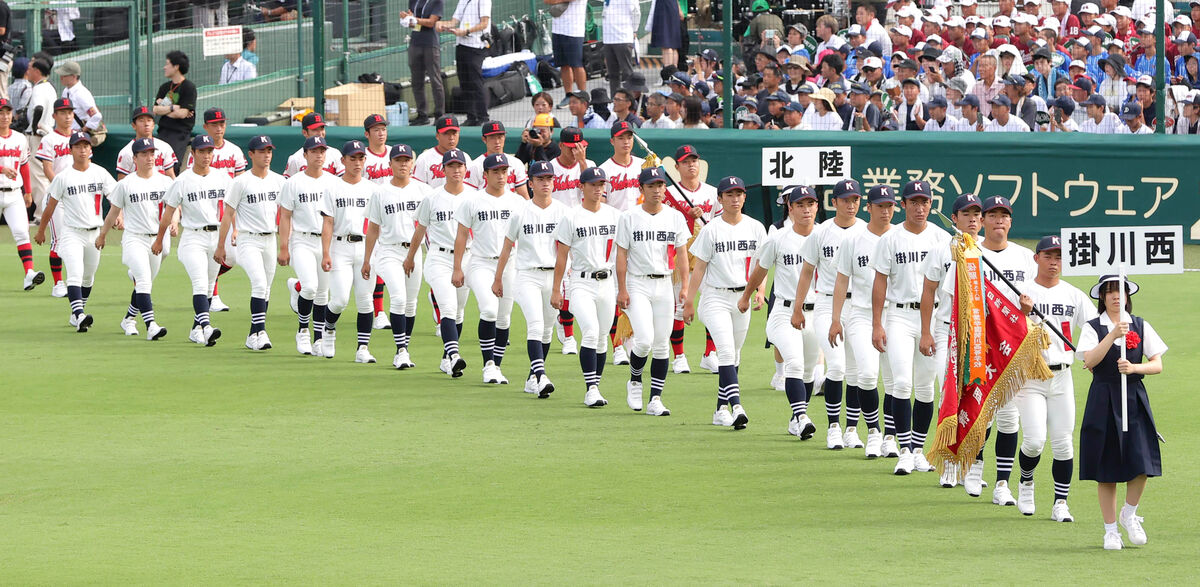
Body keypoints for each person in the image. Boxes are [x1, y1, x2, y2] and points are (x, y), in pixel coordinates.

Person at [1078, 274, 1166, 550]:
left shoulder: (1140, 324)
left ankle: (1129, 514)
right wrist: (1113, 336)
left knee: (1142, 462)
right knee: (1106, 468)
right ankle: (1110, 530)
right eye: (1110, 291)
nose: (1116, 296)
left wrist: (1135, 368)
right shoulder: (1093, 327)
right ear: (1102, 297)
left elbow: (1157, 363)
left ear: (1128, 296)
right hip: (1103, 397)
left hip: (1134, 397)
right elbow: (1089, 360)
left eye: (1121, 291)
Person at [1012, 235, 1097, 522]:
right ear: (1036, 259)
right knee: (1035, 441)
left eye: (1059, 257)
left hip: (1062, 377)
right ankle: (1026, 483)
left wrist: (1094, 357)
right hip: (1029, 377)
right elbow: (1005, 333)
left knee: (1063, 442)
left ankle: (1061, 503)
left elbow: (1094, 329)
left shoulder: (1074, 295)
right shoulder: (1021, 293)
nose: (1054, 262)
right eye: (1049, 256)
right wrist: (1022, 314)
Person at [871, 180, 950, 474]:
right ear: (902, 205)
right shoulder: (890, 239)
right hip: (901, 315)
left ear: (931, 204)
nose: (920, 208)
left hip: (935, 318)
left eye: (925, 202)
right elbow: (880, 281)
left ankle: (918, 449)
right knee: (902, 382)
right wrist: (877, 323)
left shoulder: (942, 239)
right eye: (913, 202)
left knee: (926, 388)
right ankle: (904, 449)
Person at [682, 175, 767, 429]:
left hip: (742, 297)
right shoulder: (711, 229)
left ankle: (720, 408)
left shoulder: (755, 227)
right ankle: (737, 406)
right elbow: (698, 269)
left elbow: (761, 265)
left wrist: (760, 291)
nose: (735, 198)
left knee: (735, 355)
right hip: (715, 297)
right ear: (719, 199)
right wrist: (688, 300)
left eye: (739, 194)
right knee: (726, 352)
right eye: (729, 194)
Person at [917, 193, 983, 488]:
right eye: (965, 214)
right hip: (947, 329)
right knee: (950, 396)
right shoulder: (942, 250)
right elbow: (929, 292)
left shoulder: (988, 251)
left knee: (976, 399)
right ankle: (948, 463)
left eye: (976, 214)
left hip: (981, 335)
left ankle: (970, 464)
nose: (972, 219)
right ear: (954, 219)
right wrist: (926, 330)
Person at [795, 179, 866, 450]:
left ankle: (851, 428)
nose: (851, 204)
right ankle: (834, 428)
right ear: (833, 202)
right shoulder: (821, 232)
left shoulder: (867, 232)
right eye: (845, 199)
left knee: (858, 371)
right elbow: (806, 272)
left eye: (855, 199)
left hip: (859, 306)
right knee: (836, 366)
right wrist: (798, 306)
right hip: (826, 304)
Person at [616, 166, 690, 416]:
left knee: (661, 345)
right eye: (651, 186)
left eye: (660, 185)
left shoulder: (675, 217)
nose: (657, 190)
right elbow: (621, 254)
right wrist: (622, 288)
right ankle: (635, 380)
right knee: (645, 340)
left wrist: (685, 287)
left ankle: (655, 399)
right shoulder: (629, 217)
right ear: (642, 189)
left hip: (664, 284)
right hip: (638, 283)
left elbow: (682, 254)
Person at [828, 184, 896, 457]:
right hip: (860, 313)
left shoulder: (901, 237)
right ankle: (874, 431)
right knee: (867, 375)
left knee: (895, 381)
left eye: (889, 205)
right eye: (879, 206)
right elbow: (842, 280)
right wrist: (835, 319)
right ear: (868, 208)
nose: (885, 210)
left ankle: (891, 436)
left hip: (897, 314)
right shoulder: (853, 240)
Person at [494, 160, 569, 397]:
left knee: (547, 329)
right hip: (527, 275)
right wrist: (498, 279)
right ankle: (541, 376)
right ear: (531, 182)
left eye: (549, 178)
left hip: (554, 277)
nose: (545, 183)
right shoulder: (520, 211)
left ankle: (531, 378)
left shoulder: (563, 212)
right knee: (535, 325)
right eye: (540, 179)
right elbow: (507, 248)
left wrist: (564, 282)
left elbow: (568, 251)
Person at [552, 166, 620, 407]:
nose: (598, 188)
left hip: (607, 282)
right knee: (590, 332)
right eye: (593, 184)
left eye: (601, 184)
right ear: (582, 186)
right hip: (581, 281)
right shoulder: (571, 216)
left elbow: (623, 254)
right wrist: (556, 288)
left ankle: (596, 386)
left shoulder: (615, 215)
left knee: (602, 337)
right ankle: (590, 388)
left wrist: (624, 288)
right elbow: (561, 256)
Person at [153, 135, 229, 347]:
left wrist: (232, 233)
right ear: (193, 153)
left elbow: (230, 210)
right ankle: (207, 327)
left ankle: (196, 329)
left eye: (209, 151)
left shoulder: (222, 177)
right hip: (193, 237)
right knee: (199, 283)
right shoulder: (182, 180)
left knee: (208, 286)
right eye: (202, 151)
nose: (206, 156)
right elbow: (168, 213)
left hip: (215, 237)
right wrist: (160, 239)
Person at [453, 153, 523, 383]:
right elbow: (462, 236)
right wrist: (457, 268)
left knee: (504, 318)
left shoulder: (517, 202)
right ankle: (488, 365)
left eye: (504, 171)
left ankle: (497, 366)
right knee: (489, 311)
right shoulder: (473, 200)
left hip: (510, 264)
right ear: (485, 175)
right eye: (496, 172)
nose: (501, 176)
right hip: (481, 262)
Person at [33, 132, 112, 331]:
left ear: (91, 149)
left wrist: (118, 216)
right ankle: (79, 315)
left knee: (89, 277)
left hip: (94, 233)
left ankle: (77, 314)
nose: (82, 149)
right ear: (71, 151)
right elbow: (50, 206)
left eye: (86, 146)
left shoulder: (100, 172)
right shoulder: (63, 177)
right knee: (75, 274)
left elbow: (116, 196)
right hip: (71, 233)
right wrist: (41, 230)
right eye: (78, 146)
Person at [95, 137, 172, 341]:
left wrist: (174, 221)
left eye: (152, 153)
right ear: (135, 158)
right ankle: (151, 325)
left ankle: (129, 318)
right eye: (144, 154)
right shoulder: (125, 184)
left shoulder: (165, 181)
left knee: (143, 284)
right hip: (134, 239)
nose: (149, 158)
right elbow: (113, 213)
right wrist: (102, 235)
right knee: (144, 281)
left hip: (156, 239)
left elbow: (174, 208)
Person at [405, 148, 472, 377]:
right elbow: (419, 230)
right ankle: (454, 355)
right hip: (439, 257)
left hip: (467, 257)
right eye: (451, 166)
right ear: (443, 170)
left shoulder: (474, 197)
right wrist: (410, 257)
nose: (456, 170)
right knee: (448, 307)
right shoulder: (432, 197)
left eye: (459, 165)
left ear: (466, 169)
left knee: (460, 310)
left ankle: (447, 358)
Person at [362, 144, 429, 369]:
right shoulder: (380, 191)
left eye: (406, 160)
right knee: (399, 297)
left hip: (414, 250)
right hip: (389, 250)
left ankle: (404, 349)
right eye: (398, 160)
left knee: (411, 304)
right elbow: (373, 228)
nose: (403, 164)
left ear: (413, 163)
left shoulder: (423, 191)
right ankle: (400, 351)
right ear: (389, 164)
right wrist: (367, 259)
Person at [216, 134, 283, 351]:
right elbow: (227, 214)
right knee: (259, 283)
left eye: (269, 151)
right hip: (247, 239)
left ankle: (253, 334)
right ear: (251, 154)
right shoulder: (241, 181)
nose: (266, 155)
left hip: (270, 239)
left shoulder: (279, 181)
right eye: (262, 151)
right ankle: (261, 332)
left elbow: (287, 214)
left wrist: (287, 242)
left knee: (267, 289)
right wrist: (220, 245)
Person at [319, 140, 378, 363]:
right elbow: (328, 223)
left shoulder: (373, 190)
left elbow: (376, 225)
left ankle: (363, 348)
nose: (356, 162)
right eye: (352, 158)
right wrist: (326, 253)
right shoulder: (333, 187)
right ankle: (329, 328)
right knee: (340, 299)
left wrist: (373, 255)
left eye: (360, 158)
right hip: (340, 245)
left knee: (365, 299)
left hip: (365, 246)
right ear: (342, 160)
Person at [279, 136, 334, 357]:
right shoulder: (294, 182)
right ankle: (303, 330)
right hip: (302, 239)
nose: (319, 155)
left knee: (322, 294)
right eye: (314, 151)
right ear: (305, 155)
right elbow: (285, 216)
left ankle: (318, 338)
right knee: (310, 287)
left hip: (326, 241)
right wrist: (283, 246)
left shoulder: (333, 182)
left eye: (322, 151)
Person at [186, 107, 245, 313]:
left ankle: (207, 284)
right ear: (205, 127)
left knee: (233, 257)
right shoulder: (198, 151)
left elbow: (240, 185)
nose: (219, 128)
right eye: (214, 124)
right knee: (214, 255)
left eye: (222, 124)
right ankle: (213, 295)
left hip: (227, 213)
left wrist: (237, 223)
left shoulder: (234, 151)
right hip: (206, 212)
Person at [0, 97, 42, 292]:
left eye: (7, 112)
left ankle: (29, 273)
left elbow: (24, 165)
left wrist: (28, 191)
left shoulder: (19, 138)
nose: (4, 116)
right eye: (1, 112)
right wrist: (2, 169)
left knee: (22, 233)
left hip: (14, 193)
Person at [438, 0, 490, 125]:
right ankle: (471, 117)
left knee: (475, 82)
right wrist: (442, 25)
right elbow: (454, 21)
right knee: (464, 81)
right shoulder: (463, 1)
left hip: (476, 47)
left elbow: (484, 23)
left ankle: (483, 117)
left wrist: (466, 32)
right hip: (461, 45)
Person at [401, 0, 445, 126]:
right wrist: (407, 20)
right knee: (416, 81)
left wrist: (414, 19)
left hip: (431, 44)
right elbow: (414, 24)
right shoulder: (413, 1)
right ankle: (422, 114)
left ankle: (439, 115)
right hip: (415, 43)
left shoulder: (437, 2)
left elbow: (431, 23)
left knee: (435, 80)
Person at [153, 51, 196, 174]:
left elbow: (182, 113)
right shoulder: (164, 87)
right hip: (163, 131)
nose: (164, 67)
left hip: (180, 133)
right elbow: (155, 110)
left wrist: (164, 108)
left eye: (167, 64)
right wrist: (172, 108)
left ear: (176, 67)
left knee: (173, 165)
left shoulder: (189, 87)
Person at [25, 58, 55, 217]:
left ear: (37, 71)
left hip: (38, 136)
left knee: (37, 176)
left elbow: (38, 108)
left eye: (30, 68)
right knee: (43, 175)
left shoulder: (38, 89)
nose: (27, 70)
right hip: (47, 133)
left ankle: (42, 214)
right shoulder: (50, 87)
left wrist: (35, 126)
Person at [467, 120, 529, 198]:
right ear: (484, 139)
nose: (497, 141)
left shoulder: (516, 163)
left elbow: (524, 196)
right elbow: (469, 197)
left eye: (500, 137)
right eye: (492, 137)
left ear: (504, 137)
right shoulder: (475, 166)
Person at [115, 106, 178, 180]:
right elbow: (121, 183)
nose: (146, 124)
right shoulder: (126, 152)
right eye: (141, 121)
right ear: (134, 126)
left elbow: (171, 176)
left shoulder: (165, 147)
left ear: (153, 125)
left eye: (149, 120)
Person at [548, 0, 588, 107]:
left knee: (576, 65)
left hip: (574, 30)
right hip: (557, 29)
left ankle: (583, 97)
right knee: (563, 65)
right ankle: (568, 95)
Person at [597, 122, 644, 212]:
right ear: (612, 141)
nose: (626, 142)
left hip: (640, 221)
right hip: (616, 221)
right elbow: (601, 204)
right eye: (621, 138)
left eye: (629, 138)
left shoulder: (643, 165)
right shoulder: (603, 170)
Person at [282, 112, 344, 178]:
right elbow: (288, 184)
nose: (320, 133)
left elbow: (344, 183)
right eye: (315, 129)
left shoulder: (335, 154)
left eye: (322, 128)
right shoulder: (295, 159)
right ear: (304, 132)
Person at [55, 61, 103, 144]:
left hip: (77, 139)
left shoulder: (82, 93)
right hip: (66, 135)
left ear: (73, 76)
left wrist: (82, 131)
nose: (61, 78)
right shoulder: (66, 91)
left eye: (64, 75)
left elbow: (96, 115)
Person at [602, 0, 640, 95]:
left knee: (627, 72)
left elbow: (636, 12)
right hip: (608, 38)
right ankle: (615, 100)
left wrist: (634, 30)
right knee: (612, 74)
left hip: (623, 37)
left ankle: (631, 100)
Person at [646, 0, 683, 74]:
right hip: (673, 5)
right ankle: (674, 74)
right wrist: (679, 8)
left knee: (666, 44)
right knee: (673, 45)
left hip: (664, 6)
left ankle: (668, 74)